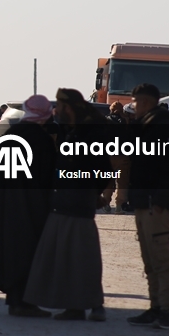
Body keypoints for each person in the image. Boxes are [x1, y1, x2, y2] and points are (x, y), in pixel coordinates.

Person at [25, 89, 116, 321]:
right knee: (64, 259)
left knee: (84, 259)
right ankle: (74, 307)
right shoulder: (71, 131)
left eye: (60, 106)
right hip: (63, 203)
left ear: (69, 107)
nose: (56, 111)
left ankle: (95, 305)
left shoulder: (91, 133)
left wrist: (89, 189)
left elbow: (103, 169)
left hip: (79, 206)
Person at [0, 95, 55, 318]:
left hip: (2, 203)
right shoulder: (41, 140)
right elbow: (48, 177)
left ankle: (15, 299)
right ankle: (24, 302)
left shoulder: (9, 135)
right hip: (30, 204)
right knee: (29, 249)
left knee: (9, 248)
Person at [126, 83, 169, 330]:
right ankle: (154, 307)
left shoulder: (164, 125)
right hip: (144, 202)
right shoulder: (147, 124)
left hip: (156, 205)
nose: (133, 106)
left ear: (145, 102)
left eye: (135, 102)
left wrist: (162, 202)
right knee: (149, 260)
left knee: (161, 259)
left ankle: (165, 311)